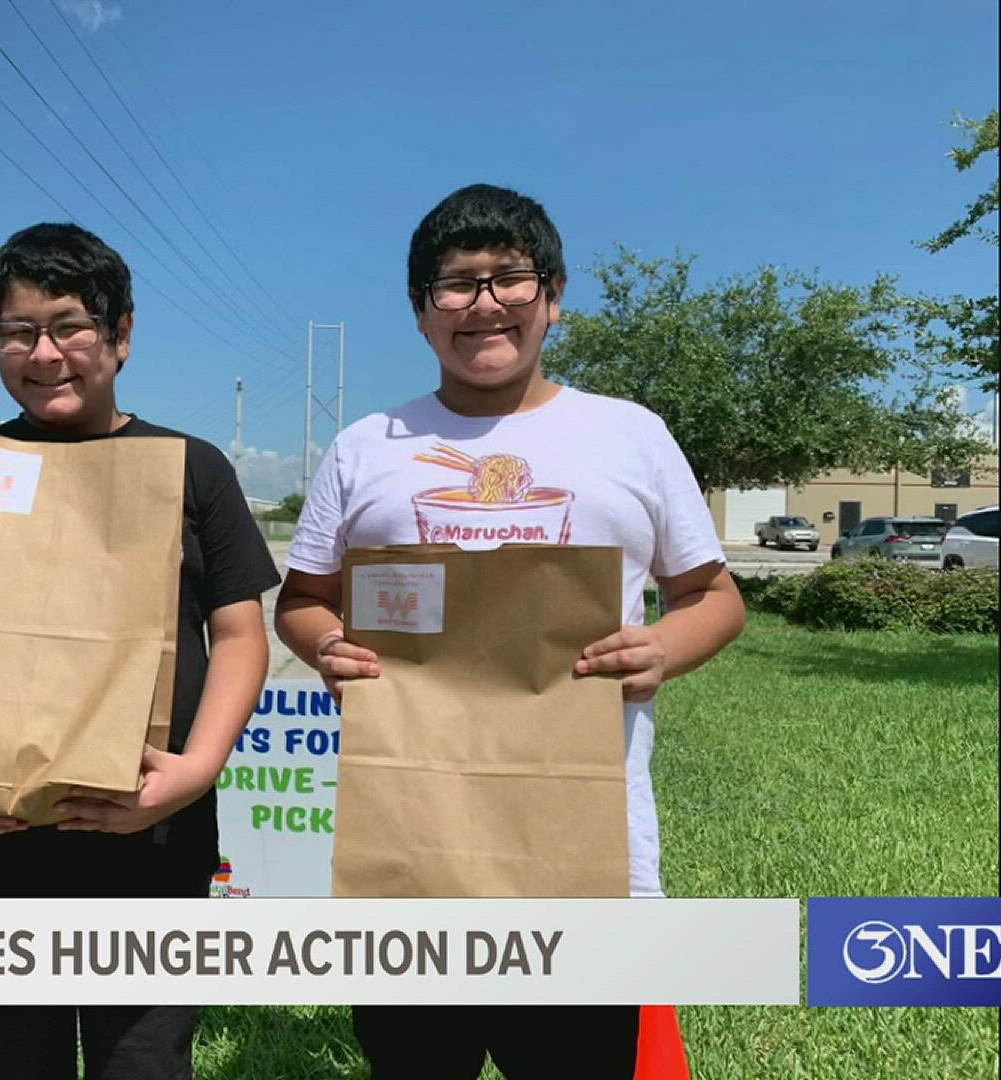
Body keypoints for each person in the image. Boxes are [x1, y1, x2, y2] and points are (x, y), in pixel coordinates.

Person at [272, 183, 747, 1078]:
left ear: (554, 296)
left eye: (511, 278)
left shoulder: (629, 435)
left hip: (582, 842)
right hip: (409, 843)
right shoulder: (366, 446)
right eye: (455, 284)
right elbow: (302, 596)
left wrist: (663, 648)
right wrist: (326, 644)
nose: (484, 303)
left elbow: (714, 595)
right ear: (420, 312)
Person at [0, 222, 279, 1080]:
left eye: (71, 326)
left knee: (143, 1065)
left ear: (120, 335)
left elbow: (238, 637)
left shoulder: (191, 470)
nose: (46, 353)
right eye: (18, 332)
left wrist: (194, 772)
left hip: (152, 848)